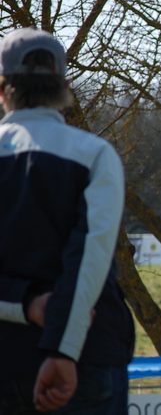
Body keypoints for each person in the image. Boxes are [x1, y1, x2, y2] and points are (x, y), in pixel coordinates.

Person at [0, 28, 134, 414]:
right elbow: (88, 261)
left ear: (3, 89)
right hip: (87, 361)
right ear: (65, 87)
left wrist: (26, 304)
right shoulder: (95, 155)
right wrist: (63, 350)